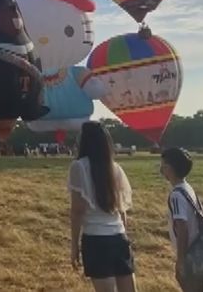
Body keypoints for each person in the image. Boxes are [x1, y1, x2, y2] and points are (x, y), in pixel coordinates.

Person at [68, 121, 137, 292]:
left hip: (95, 240)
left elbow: (77, 211)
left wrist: (74, 246)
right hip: (119, 236)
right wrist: (124, 236)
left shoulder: (78, 167)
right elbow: (122, 210)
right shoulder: (115, 168)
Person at [161, 148, 203, 292]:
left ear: (170, 169)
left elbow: (182, 227)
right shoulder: (187, 188)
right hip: (199, 251)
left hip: (190, 254)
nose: (161, 169)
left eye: (163, 166)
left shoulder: (176, 195)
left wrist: (181, 260)